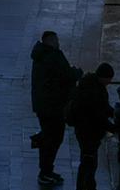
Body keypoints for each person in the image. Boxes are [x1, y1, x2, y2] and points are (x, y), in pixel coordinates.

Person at [31, 31, 83, 186]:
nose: (58, 42)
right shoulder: (52, 56)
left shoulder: (41, 55)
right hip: (52, 106)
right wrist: (77, 72)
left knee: (50, 136)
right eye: (56, 40)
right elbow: (66, 74)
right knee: (53, 138)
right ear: (51, 41)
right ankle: (45, 172)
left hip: (44, 105)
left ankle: (46, 169)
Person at [70, 63, 115, 190]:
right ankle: (85, 186)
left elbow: (102, 108)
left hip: (85, 131)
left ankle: (88, 185)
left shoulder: (91, 86)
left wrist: (112, 113)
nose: (110, 82)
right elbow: (98, 115)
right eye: (109, 79)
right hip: (88, 132)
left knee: (88, 161)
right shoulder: (94, 91)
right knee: (88, 162)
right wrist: (113, 128)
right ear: (103, 77)